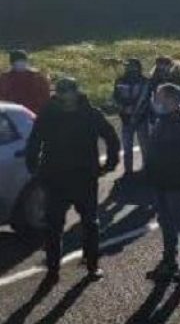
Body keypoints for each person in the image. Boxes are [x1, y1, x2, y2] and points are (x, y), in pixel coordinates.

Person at [26, 77, 120, 280]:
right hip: (56, 177)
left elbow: (111, 137)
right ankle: (53, 269)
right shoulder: (49, 113)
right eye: (61, 91)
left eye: (68, 91)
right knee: (53, 225)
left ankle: (92, 264)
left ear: (76, 92)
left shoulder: (90, 113)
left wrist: (109, 164)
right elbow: (34, 141)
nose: (65, 95)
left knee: (90, 223)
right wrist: (33, 167)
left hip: (84, 177)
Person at [145, 84, 180, 282]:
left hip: (178, 182)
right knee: (166, 223)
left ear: (173, 100)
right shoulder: (162, 120)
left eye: (161, 98)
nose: (157, 102)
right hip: (161, 180)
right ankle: (169, 261)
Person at [133, 55, 174, 165]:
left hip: (164, 118)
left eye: (164, 66)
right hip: (152, 117)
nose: (162, 69)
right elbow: (143, 99)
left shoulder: (173, 81)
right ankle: (149, 167)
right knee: (150, 145)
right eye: (160, 66)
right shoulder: (152, 82)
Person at [112, 58, 147, 177]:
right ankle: (128, 171)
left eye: (132, 66)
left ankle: (146, 169)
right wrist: (122, 106)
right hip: (126, 118)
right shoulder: (120, 80)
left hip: (141, 118)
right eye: (127, 66)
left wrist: (137, 111)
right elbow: (116, 96)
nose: (129, 68)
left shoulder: (144, 81)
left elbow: (145, 99)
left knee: (144, 145)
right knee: (127, 147)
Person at [0, 49, 52, 114]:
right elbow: (2, 98)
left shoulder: (37, 77)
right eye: (17, 61)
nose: (20, 63)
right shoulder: (5, 78)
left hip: (34, 113)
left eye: (22, 61)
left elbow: (44, 98)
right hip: (12, 112)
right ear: (12, 63)